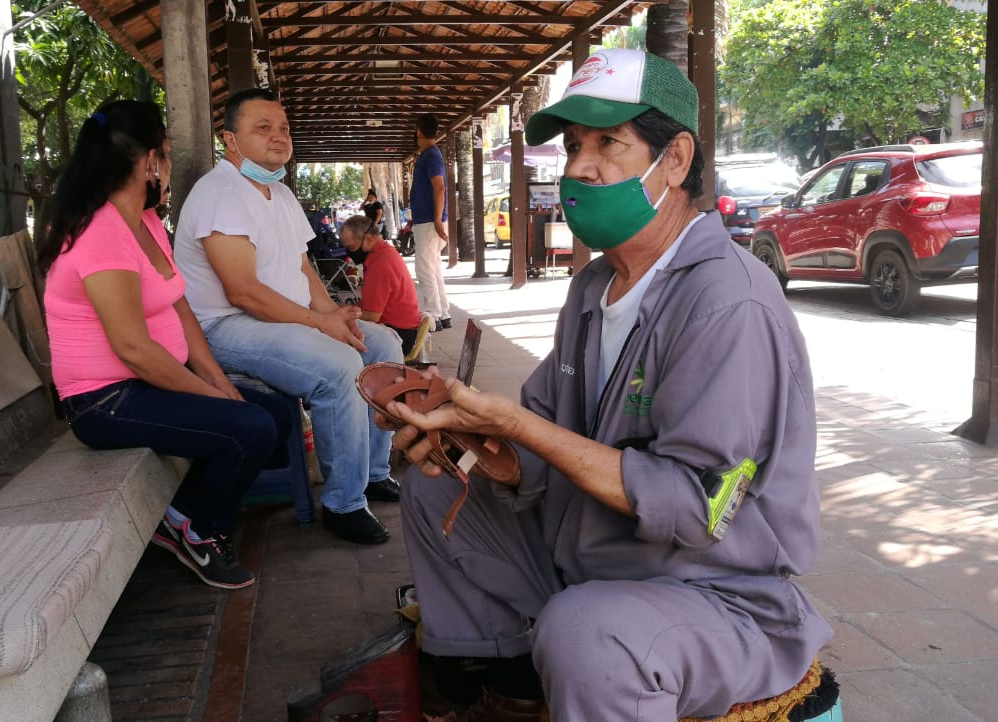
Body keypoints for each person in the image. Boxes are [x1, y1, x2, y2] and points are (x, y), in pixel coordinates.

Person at [379, 49, 831, 719]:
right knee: (434, 482)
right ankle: (508, 675)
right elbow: (534, 440)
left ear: (675, 160)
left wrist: (516, 427)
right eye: (573, 146)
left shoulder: (728, 305)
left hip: (715, 596)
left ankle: (579, 657)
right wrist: (460, 432)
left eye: (608, 144)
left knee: (588, 633)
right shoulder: (594, 286)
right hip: (587, 558)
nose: (580, 167)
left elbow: (698, 509)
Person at [38, 99, 293, 590]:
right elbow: (132, 348)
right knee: (248, 429)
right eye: (168, 155)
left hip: (146, 385)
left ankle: (179, 514)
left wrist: (216, 380)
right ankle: (200, 532)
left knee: (275, 416)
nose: (170, 167)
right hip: (105, 400)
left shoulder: (147, 222)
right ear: (151, 160)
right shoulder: (100, 231)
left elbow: (179, 308)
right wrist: (209, 397)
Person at [173, 87, 403, 546]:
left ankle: (374, 470)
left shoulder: (278, 193)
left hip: (278, 320)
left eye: (283, 128)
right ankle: (343, 504)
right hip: (224, 327)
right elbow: (243, 293)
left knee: (382, 344)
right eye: (263, 128)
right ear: (230, 140)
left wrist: (334, 315)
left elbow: (302, 270)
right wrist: (320, 325)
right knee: (339, 367)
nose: (278, 137)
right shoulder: (220, 193)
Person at [338, 215, 425, 356]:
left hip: (398, 336)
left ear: (369, 239)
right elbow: (369, 305)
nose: (350, 253)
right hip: (402, 330)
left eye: (352, 247)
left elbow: (372, 316)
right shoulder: (384, 253)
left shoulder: (380, 263)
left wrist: (339, 314)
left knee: (335, 335)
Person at [409, 114, 452, 330]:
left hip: (428, 221)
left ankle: (433, 316)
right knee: (433, 269)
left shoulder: (430, 156)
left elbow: (439, 186)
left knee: (425, 270)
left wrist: (436, 218)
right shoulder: (431, 155)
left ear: (419, 131)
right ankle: (443, 313)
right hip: (428, 221)